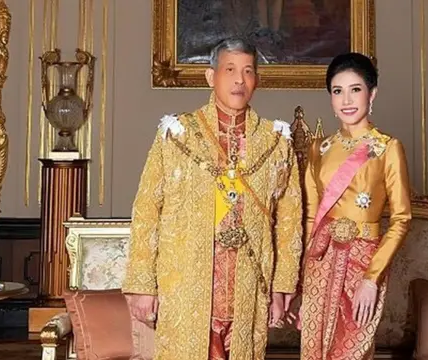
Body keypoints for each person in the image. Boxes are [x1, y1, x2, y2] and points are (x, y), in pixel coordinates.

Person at [122, 37, 303, 360]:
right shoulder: (178, 133)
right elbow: (147, 209)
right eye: (230, 69)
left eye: (248, 71)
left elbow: (289, 220)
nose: (239, 80)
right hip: (187, 283)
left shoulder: (275, 142)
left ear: (257, 80)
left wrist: (283, 285)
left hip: (247, 282)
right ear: (211, 76)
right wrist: (142, 285)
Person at [295, 52, 412, 359]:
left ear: (372, 93)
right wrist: (305, 285)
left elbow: (401, 219)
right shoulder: (318, 148)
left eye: (355, 89)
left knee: (353, 349)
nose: (346, 99)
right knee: (315, 351)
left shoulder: (387, 148)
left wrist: (372, 279)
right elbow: (311, 217)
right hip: (322, 259)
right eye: (337, 91)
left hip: (364, 261)